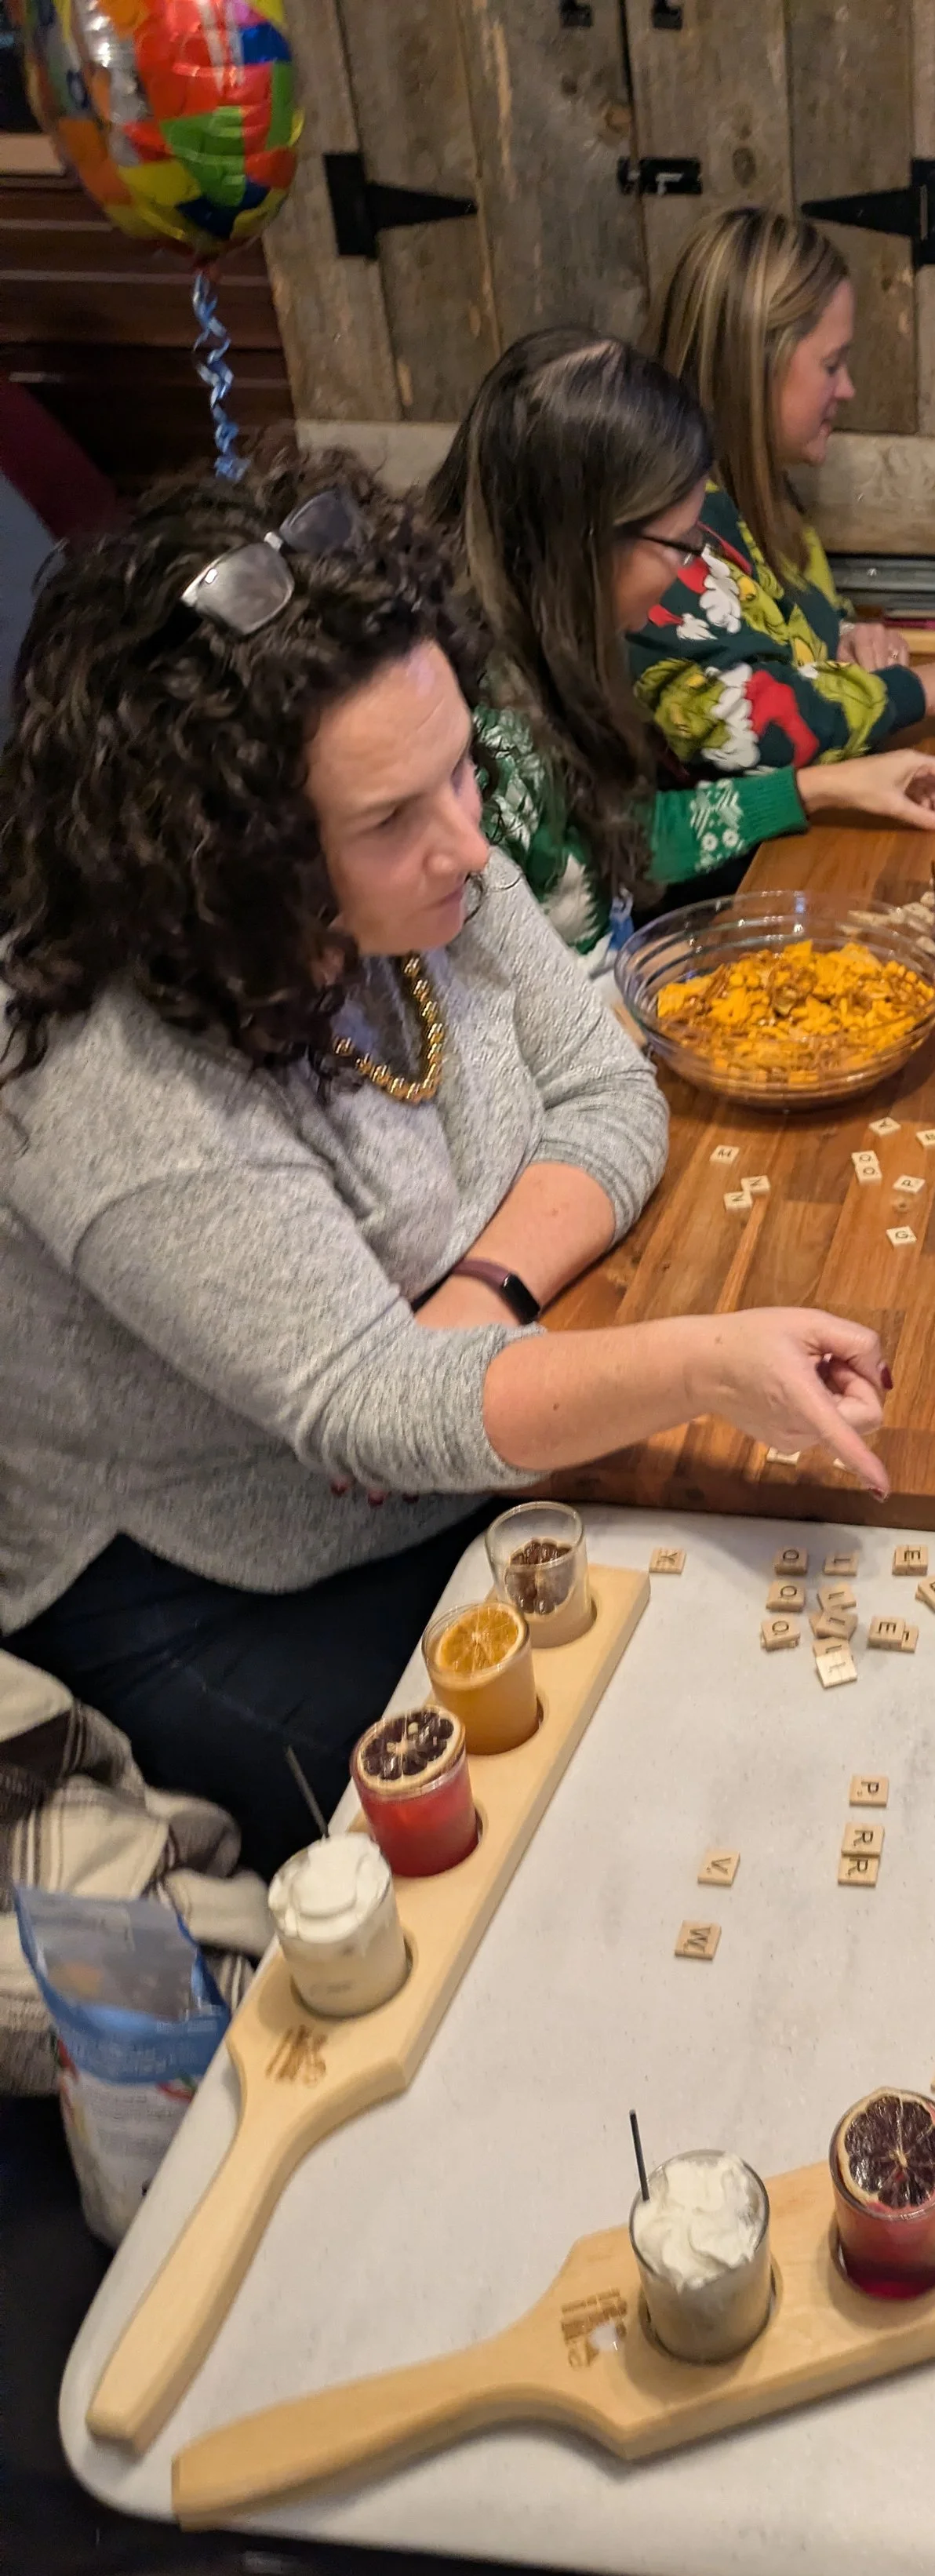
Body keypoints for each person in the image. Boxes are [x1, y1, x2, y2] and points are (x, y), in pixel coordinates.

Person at [0, 456, 890, 1882]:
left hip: (446, 1445)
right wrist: (702, 1364)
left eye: (461, 766)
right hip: (213, 1580)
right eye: (389, 819)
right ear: (224, 859)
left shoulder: (433, 858)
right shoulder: (103, 1072)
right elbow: (367, 1413)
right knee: (608, 1812)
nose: (469, 844)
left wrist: (480, 1290)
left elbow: (606, 1087)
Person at [428, 329, 935, 960]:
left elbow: (631, 835)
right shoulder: (476, 735)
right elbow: (498, 1016)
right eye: (680, 546)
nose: (692, 574)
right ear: (586, 539)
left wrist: (825, 789)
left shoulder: (562, 648)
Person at [635, 206, 935, 772]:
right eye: (831, 365)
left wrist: (847, 640)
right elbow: (748, 728)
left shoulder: (766, 494)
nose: (849, 389)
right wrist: (916, 692)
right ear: (755, 367)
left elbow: (790, 633)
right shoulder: (666, 527)